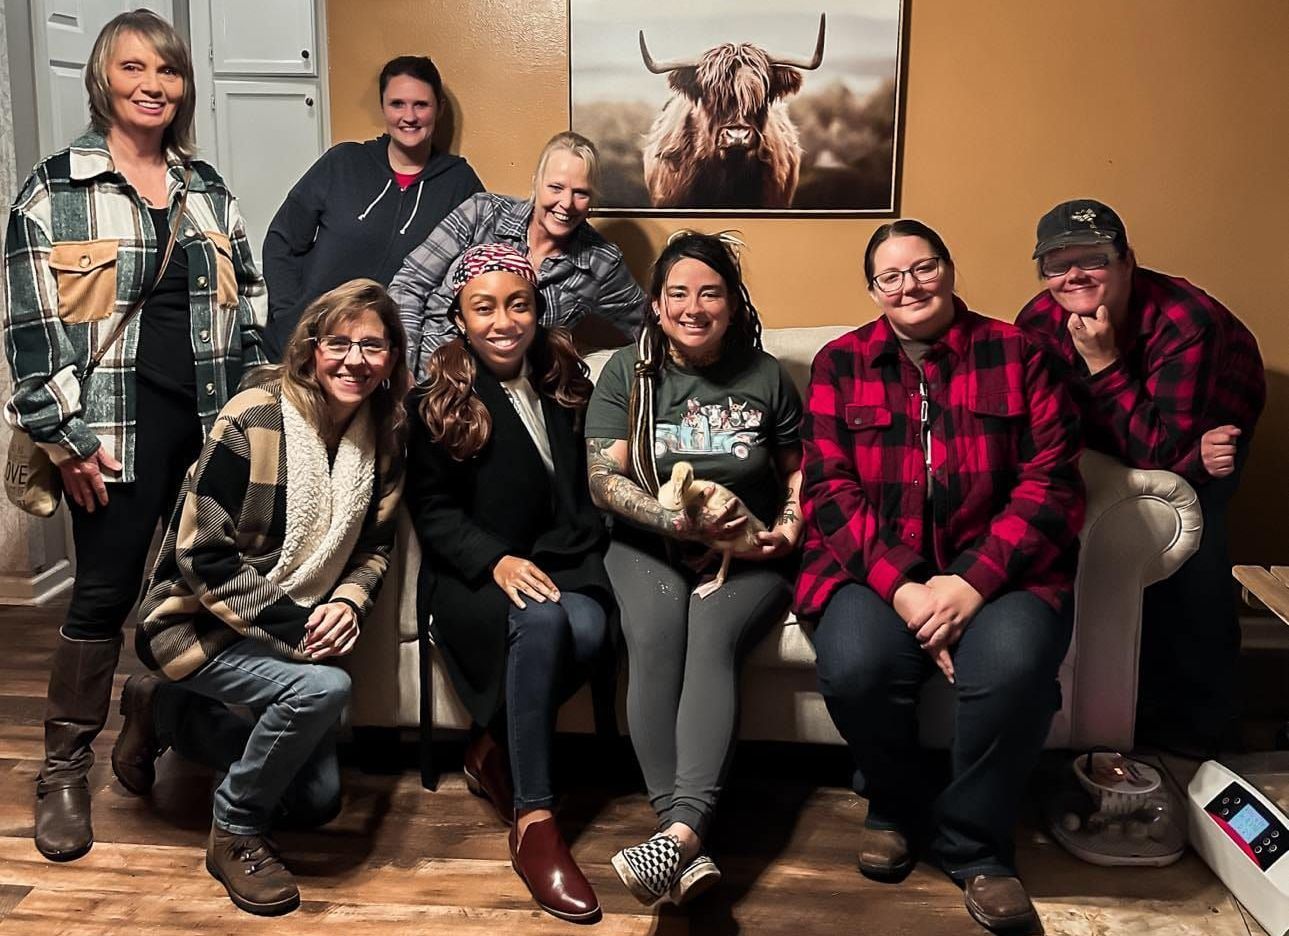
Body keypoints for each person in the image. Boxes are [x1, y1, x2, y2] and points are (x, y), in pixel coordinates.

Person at [2, 9, 268, 863]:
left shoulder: (208, 189)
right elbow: (31, 338)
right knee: (103, 596)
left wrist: (256, 420)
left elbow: (251, 310)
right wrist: (67, 440)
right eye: (134, 69)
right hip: (111, 437)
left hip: (209, 432)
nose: (154, 85)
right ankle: (64, 769)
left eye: (169, 71)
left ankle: (152, 713)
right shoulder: (53, 192)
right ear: (103, 81)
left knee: (198, 590)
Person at [798, 220, 1084, 933]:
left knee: (1013, 670)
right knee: (854, 665)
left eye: (922, 268)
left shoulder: (1019, 354)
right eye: (890, 277)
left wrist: (969, 584)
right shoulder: (841, 362)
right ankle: (893, 804)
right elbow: (827, 491)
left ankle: (978, 847)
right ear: (872, 291)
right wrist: (903, 586)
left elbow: (1051, 484)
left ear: (949, 270)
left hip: (1003, 570)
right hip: (877, 570)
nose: (909, 286)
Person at [112, 279, 409, 915]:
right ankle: (235, 829)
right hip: (193, 621)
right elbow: (201, 557)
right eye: (339, 342)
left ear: (393, 358)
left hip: (290, 625)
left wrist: (349, 603)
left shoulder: (385, 434)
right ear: (309, 350)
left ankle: (163, 711)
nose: (355, 359)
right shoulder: (254, 416)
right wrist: (303, 627)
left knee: (317, 802)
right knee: (324, 690)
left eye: (373, 346)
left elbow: (374, 550)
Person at [584, 232, 804, 906]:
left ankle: (674, 840)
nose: (693, 305)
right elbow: (601, 478)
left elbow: (801, 471)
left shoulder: (767, 376)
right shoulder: (628, 373)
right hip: (649, 543)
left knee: (709, 633)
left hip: (744, 552)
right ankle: (683, 839)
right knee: (653, 638)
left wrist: (787, 529)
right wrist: (670, 521)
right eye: (677, 292)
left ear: (732, 305)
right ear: (654, 304)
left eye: (710, 292)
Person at [404, 244, 613, 923]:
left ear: (537, 309)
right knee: (545, 623)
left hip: (562, 559)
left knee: (588, 627)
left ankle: (489, 744)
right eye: (484, 307)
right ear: (460, 319)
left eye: (517, 304)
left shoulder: (565, 380)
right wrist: (492, 560)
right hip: (477, 573)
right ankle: (534, 818)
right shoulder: (436, 399)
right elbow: (432, 511)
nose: (503, 321)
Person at [1015, 199, 1265, 754]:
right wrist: (1184, 453)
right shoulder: (1036, 322)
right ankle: (1139, 714)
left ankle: (1210, 730)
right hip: (1146, 435)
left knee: (1195, 560)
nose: (1073, 275)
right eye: (1057, 264)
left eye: (1094, 258)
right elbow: (1044, 425)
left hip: (1215, 420)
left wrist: (1103, 362)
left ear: (1127, 261)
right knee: (1122, 547)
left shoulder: (1185, 320)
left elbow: (1159, 453)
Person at [261, 54, 482, 358]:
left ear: (439, 108)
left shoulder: (459, 183)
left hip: (384, 357)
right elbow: (281, 240)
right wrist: (290, 315)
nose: (409, 116)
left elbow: (477, 268)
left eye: (421, 104)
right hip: (308, 345)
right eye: (397, 104)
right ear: (383, 107)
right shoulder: (343, 162)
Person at [390, 131, 646, 379]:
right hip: (431, 377)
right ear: (536, 182)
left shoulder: (600, 262)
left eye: (581, 193)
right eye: (556, 187)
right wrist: (404, 370)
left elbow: (650, 327)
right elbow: (409, 285)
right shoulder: (483, 213)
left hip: (511, 392)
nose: (566, 203)